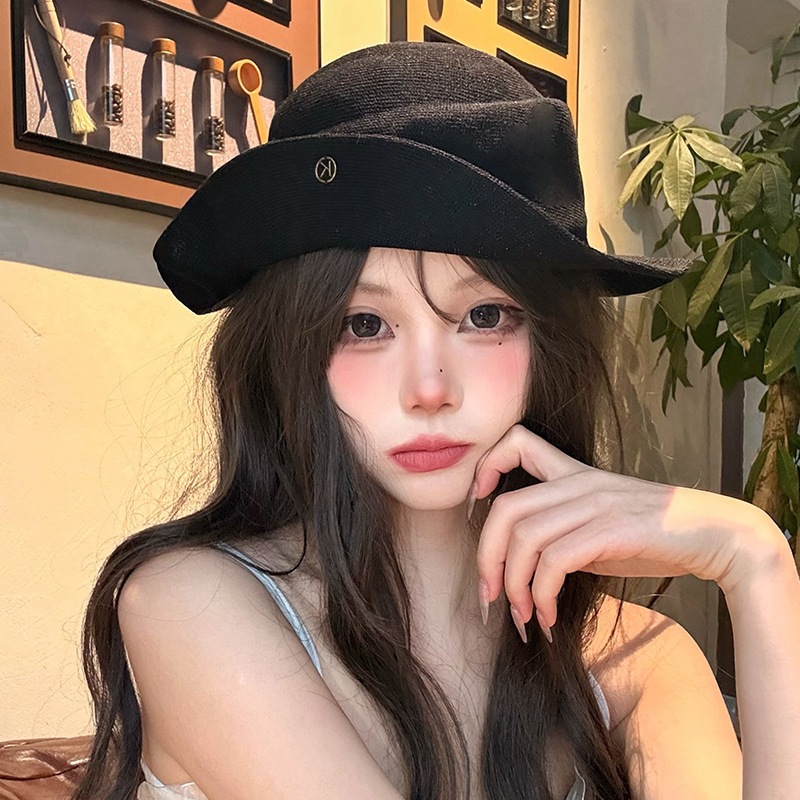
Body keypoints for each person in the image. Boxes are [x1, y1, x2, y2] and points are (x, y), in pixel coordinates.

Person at [72, 41, 800, 800]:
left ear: (548, 343)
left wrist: (754, 559)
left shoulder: (635, 659)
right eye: (362, 325)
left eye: (484, 316)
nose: (429, 389)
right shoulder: (189, 603)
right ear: (289, 350)